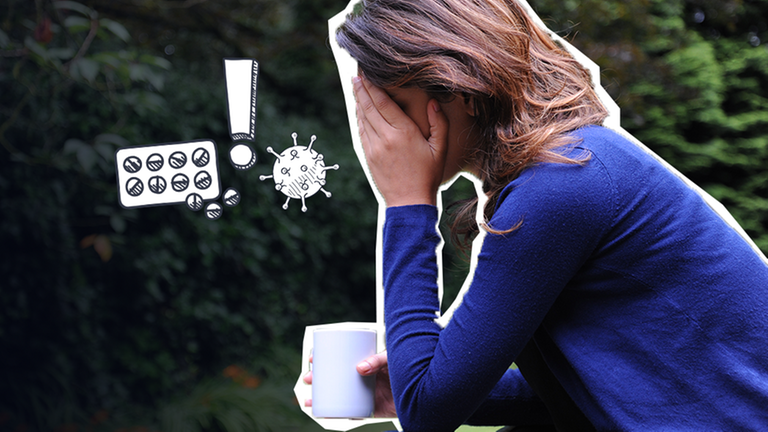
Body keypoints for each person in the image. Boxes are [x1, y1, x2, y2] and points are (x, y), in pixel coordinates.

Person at [306, 0, 768, 430]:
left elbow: (428, 414)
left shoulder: (562, 184)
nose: (383, 136)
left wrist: (407, 201)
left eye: (394, 109)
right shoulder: (569, 168)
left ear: (458, 87)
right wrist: (412, 385)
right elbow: (596, 388)